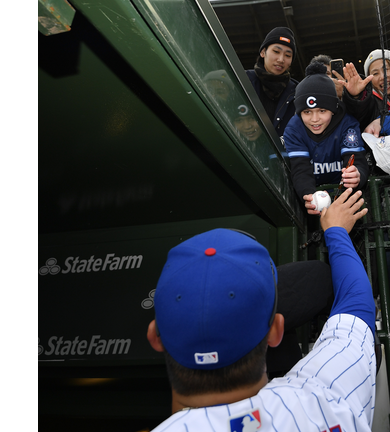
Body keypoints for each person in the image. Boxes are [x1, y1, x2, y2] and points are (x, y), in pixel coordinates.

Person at [147, 188, 376, 432]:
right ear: (277, 331)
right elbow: (357, 301)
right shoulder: (322, 405)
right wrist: (336, 231)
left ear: (154, 337)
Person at [283, 62, 369, 215]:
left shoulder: (347, 123)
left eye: (322, 110)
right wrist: (308, 197)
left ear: (333, 109)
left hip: (345, 197)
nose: (315, 119)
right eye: (307, 112)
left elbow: (357, 162)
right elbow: (300, 170)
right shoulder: (293, 129)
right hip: (315, 193)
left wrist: (358, 176)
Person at [246, 27, 300, 137]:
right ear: (263, 52)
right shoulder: (242, 80)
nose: (281, 59)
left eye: (288, 55)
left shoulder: (298, 91)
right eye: (276, 51)